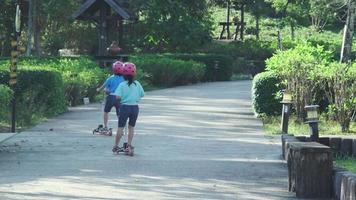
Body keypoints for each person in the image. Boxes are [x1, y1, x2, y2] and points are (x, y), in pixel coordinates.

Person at [112, 62, 145, 155]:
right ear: (134, 73)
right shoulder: (137, 84)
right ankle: (129, 145)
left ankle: (116, 145)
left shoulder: (122, 85)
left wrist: (123, 97)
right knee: (131, 127)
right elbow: (142, 94)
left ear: (123, 73)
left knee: (120, 127)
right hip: (135, 108)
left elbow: (117, 97)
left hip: (124, 107)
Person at [96, 61, 125, 131]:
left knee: (106, 112)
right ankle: (121, 128)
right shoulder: (123, 79)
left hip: (111, 97)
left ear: (113, 70)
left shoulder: (110, 78)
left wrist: (98, 89)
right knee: (119, 114)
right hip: (119, 98)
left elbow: (103, 87)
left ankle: (105, 126)